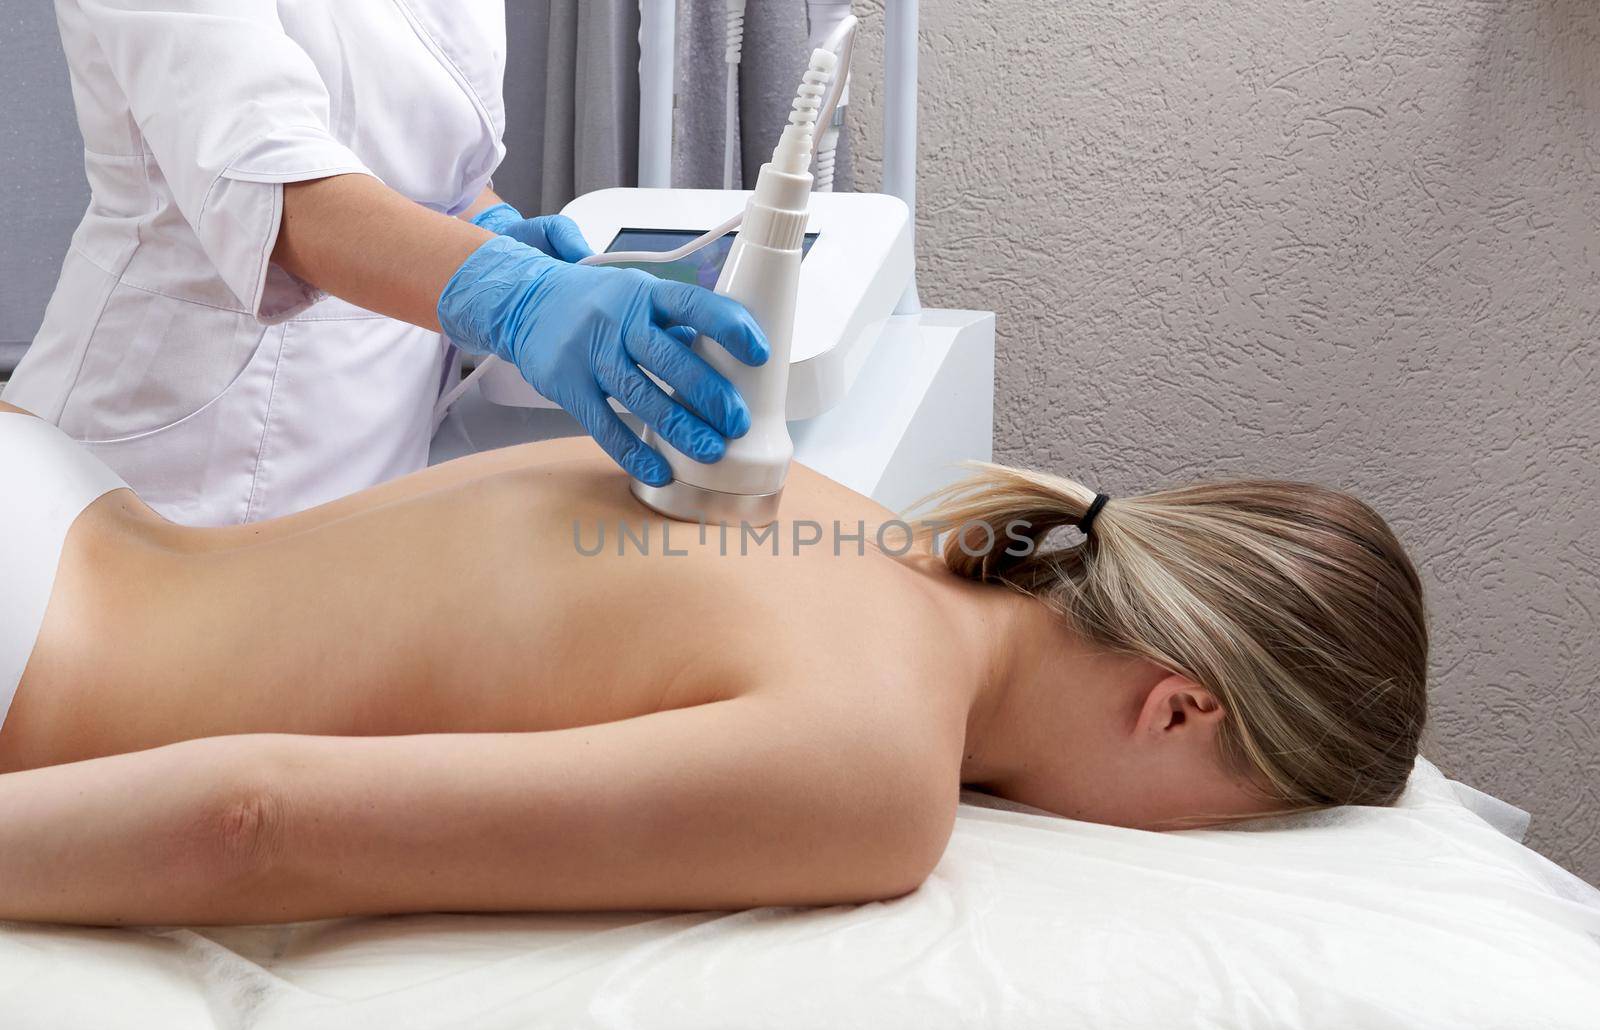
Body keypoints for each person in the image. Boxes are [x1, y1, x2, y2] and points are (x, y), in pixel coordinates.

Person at [0, 400, 1429, 925]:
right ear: (1182, 705)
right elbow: (261, 822)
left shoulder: (845, 515)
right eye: (1243, 820)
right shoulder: (876, 769)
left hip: (50, 495)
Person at [2, 1, 766, 526]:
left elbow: (430, 154)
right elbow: (273, 186)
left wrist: (486, 226)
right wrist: (513, 295)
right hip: (181, 456)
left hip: (387, 434)